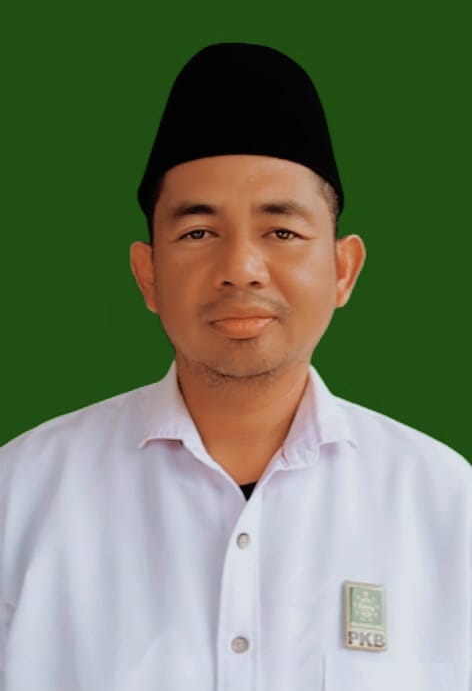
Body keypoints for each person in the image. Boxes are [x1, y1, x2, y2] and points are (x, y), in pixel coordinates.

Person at [0, 42, 470, 691]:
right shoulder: (20, 497)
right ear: (147, 274)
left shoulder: (448, 506)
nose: (242, 269)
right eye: (198, 233)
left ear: (343, 269)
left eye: (282, 232)